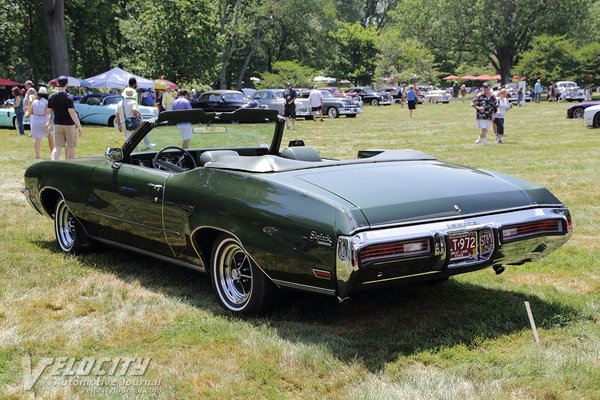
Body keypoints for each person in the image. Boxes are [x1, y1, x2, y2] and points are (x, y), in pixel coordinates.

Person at [47, 76, 82, 160]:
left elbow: (49, 111)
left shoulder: (51, 96)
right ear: (66, 84)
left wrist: (57, 109)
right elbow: (72, 112)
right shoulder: (68, 97)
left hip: (58, 124)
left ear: (57, 84)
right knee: (71, 147)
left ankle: (53, 164)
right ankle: (70, 165)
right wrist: (79, 126)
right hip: (69, 125)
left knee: (57, 147)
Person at [124, 77, 153, 149]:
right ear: (135, 83)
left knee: (131, 131)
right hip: (135, 112)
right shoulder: (133, 92)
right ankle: (148, 144)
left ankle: (145, 144)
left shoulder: (126, 91)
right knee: (143, 128)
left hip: (128, 112)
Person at [28, 87, 54, 158]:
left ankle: (37, 155)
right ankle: (53, 154)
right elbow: (47, 113)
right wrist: (48, 122)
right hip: (45, 120)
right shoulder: (46, 102)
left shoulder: (34, 101)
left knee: (38, 140)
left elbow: (30, 112)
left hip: (36, 120)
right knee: (50, 138)